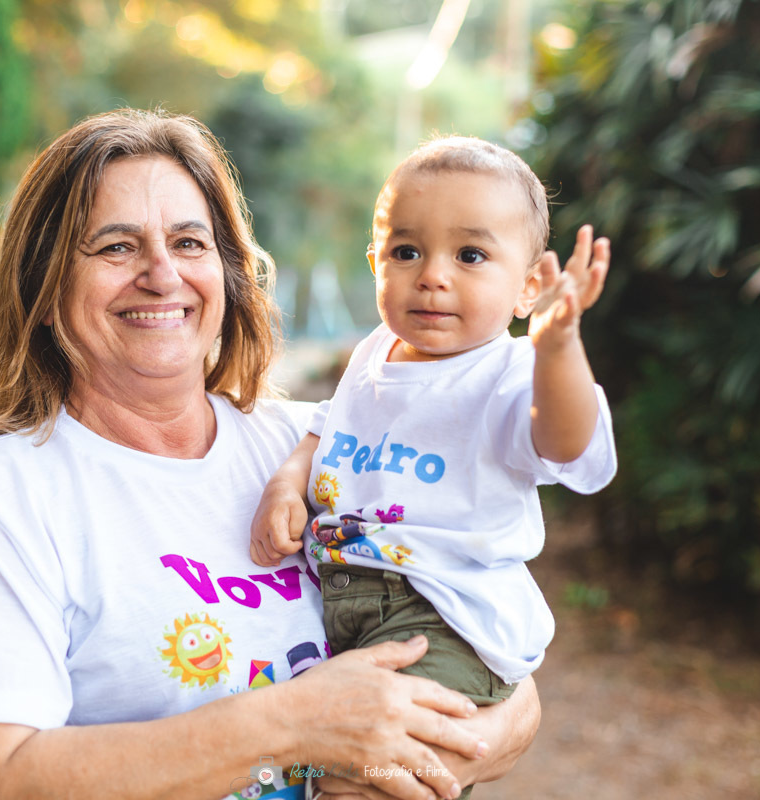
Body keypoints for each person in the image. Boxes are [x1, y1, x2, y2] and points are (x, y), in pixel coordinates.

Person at [0, 109, 542, 800]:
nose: (161, 273)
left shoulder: (319, 449)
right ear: (45, 291)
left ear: (228, 275)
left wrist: (455, 752)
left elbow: (508, 673)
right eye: (116, 247)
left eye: (188, 241)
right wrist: (292, 725)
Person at [249, 137, 617, 795]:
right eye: (406, 251)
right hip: (347, 608)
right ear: (375, 262)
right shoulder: (373, 354)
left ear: (530, 286)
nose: (433, 274)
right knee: (312, 764)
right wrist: (287, 481)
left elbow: (563, 441)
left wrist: (559, 347)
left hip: (441, 617)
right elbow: (327, 430)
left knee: (374, 779)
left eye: (470, 255)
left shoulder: (509, 373)